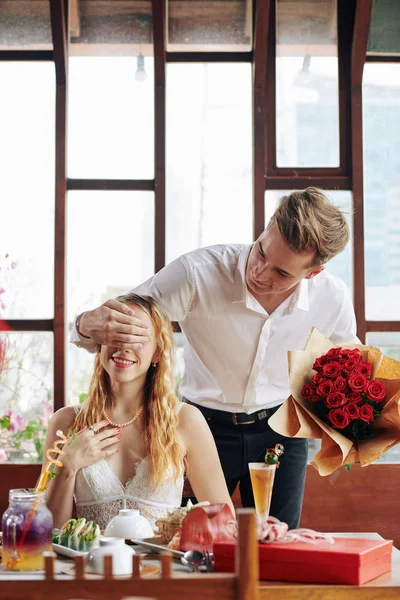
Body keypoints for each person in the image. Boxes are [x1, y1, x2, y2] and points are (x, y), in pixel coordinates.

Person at [71, 187, 359, 530]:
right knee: (191, 543)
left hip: (282, 432)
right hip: (201, 427)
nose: (260, 272)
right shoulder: (199, 273)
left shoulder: (332, 298)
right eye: (261, 252)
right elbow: (127, 319)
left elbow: (348, 365)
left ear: (313, 272)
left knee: (279, 545)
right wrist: (85, 325)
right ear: (266, 228)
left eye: (281, 273)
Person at [43, 294, 234, 529]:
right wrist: (67, 464)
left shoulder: (185, 420)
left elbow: (225, 522)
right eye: (117, 335)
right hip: (89, 566)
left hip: (163, 565)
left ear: (156, 352)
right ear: (101, 341)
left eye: (137, 338)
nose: (124, 347)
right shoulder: (65, 421)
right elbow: (47, 534)